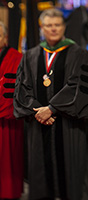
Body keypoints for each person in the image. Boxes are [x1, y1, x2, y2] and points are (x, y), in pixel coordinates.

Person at [13, 8, 88, 200]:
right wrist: (38, 110)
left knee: (69, 177)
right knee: (41, 180)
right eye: (49, 25)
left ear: (64, 27)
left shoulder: (79, 54)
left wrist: (51, 109)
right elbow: (22, 89)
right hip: (39, 125)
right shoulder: (31, 55)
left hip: (68, 126)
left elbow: (79, 86)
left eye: (57, 25)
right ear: (42, 28)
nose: (53, 29)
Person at [0, 21, 24, 200]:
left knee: (8, 161)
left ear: (5, 37)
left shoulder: (17, 57)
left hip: (7, 120)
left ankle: (9, 193)